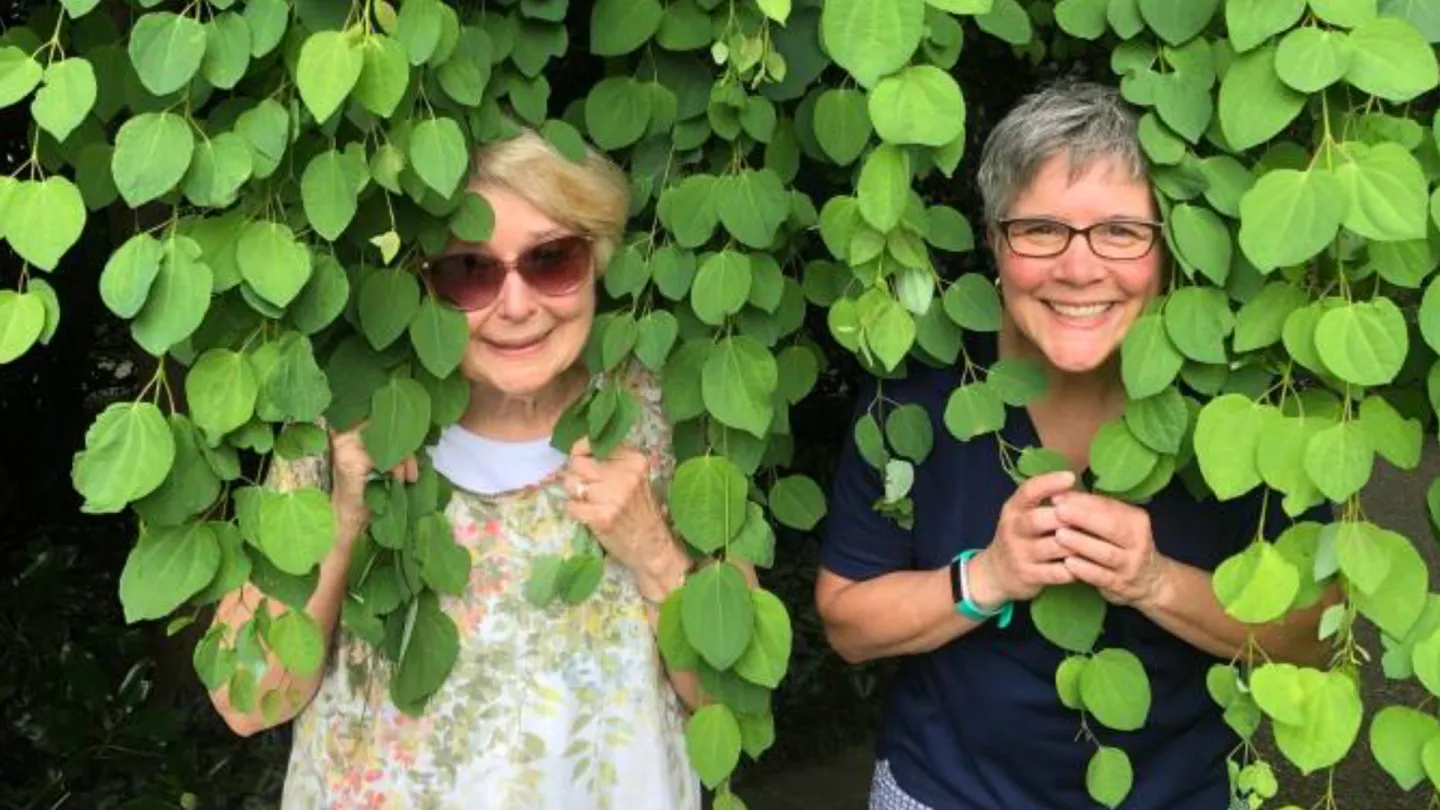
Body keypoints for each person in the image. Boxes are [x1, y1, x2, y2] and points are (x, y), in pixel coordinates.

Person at [815, 82, 1333, 810]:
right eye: (1040, 229)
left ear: (1167, 250)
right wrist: (985, 578)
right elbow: (846, 623)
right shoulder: (918, 397)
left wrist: (1154, 580)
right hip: (947, 792)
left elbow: (1315, 637)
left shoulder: (1241, 414)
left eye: (1121, 231)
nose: (1080, 267)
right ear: (995, 242)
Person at [207, 129, 702, 810]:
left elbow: (727, 694)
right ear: (420, 283)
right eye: (469, 271)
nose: (519, 305)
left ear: (599, 259)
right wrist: (345, 512)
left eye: (552, 260)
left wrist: (655, 554)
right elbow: (249, 702)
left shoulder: (655, 418)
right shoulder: (345, 422)